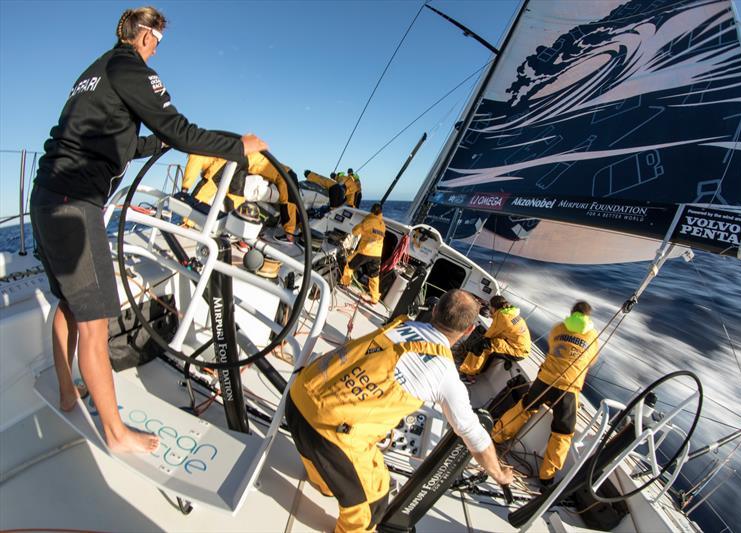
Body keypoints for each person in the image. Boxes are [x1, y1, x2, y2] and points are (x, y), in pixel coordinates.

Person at [30, 6, 268, 454]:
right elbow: (180, 128)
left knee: (68, 302)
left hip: (45, 198)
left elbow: (111, 140)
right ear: (142, 36)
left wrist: (155, 143)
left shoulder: (95, 70)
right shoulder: (132, 68)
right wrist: (238, 146)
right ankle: (116, 434)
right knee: (95, 322)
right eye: (156, 38)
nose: (157, 47)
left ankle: (67, 391)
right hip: (75, 205)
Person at [286, 289, 514, 532]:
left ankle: (326, 483)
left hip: (297, 399)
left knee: (332, 465)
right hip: (329, 434)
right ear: (468, 331)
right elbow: (473, 435)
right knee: (374, 501)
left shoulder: (398, 326)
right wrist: (499, 475)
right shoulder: (445, 374)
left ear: (435, 310)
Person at [492, 301, 599, 485]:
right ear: (588, 316)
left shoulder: (559, 328)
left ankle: (497, 435)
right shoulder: (592, 336)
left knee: (525, 407)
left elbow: (552, 347)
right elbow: (591, 361)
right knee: (563, 433)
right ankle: (546, 476)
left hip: (545, 380)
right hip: (568, 388)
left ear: (572, 312)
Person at [182, 152, 298, 241]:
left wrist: (184, 190)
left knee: (288, 202)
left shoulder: (203, 154)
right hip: (244, 162)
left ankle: (289, 236)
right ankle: (232, 230)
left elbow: (208, 183)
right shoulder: (213, 153)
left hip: (284, 175)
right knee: (233, 192)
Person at [459, 295, 531, 377]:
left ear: (493, 308)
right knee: (489, 342)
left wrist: (474, 345)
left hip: (517, 351)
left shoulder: (502, 317)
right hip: (519, 346)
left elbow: (488, 335)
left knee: (481, 345)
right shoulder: (511, 312)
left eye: (490, 307)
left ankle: (468, 374)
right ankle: (473, 365)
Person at [339, 203, 385, 304]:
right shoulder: (382, 224)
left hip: (365, 251)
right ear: (380, 212)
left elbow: (355, 231)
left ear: (372, 210)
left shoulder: (369, 220)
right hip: (377, 254)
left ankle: (345, 283)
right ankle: (375, 298)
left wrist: (362, 223)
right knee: (374, 276)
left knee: (349, 264)